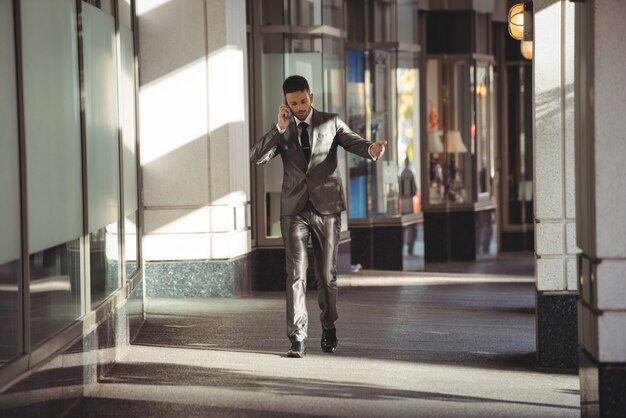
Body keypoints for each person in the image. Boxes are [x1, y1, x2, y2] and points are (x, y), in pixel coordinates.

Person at [250, 75, 386, 358]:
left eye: (302, 101)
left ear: (311, 96)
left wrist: (371, 149)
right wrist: (279, 127)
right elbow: (257, 157)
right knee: (295, 275)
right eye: (292, 103)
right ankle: (297, 337)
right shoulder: (283, 129)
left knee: (326, 276)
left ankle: (329, 326)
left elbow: (354, 142)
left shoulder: (331, 121)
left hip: (327, 207)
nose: (299, 107)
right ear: (285, 103)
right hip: (294, 210)